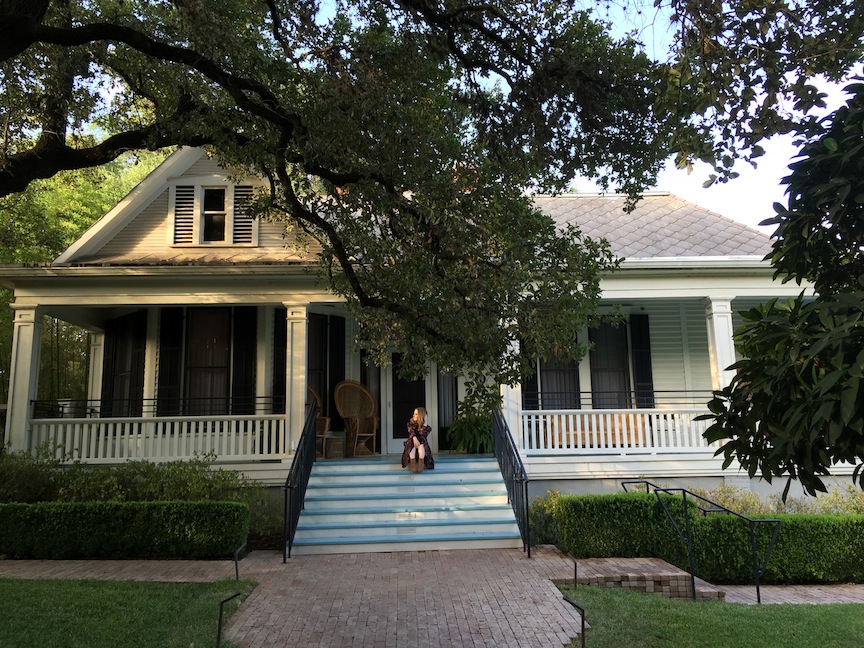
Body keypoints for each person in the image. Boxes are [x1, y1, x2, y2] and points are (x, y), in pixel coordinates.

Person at [401, 406, 434, 472]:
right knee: (411, 442)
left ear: (420, 416)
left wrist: (425, 424)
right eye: (414, 413)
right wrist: (414, 438)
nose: (413, 415)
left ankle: (420, 463)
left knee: (422, 441)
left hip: (421, 448)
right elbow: (411, 432)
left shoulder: (427, 428)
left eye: (416, 414)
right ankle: (413, 463)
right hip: (411, 446)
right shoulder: (410, 424)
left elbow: (423, 435)